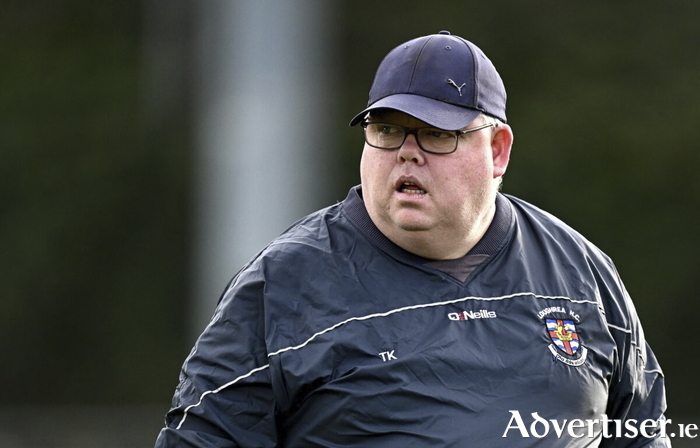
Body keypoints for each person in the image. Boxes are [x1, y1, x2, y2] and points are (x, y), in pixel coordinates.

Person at [155, 31, 669, 447]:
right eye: (386, 129)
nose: (406, 152)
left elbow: (643, 433)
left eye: (436, 133)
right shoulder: (283, 283)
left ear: (497, 151)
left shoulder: (581, 275)